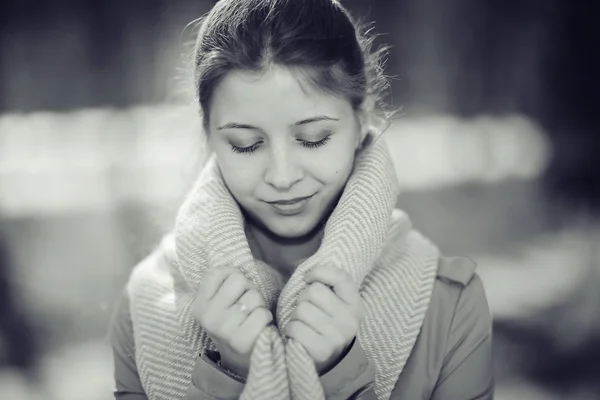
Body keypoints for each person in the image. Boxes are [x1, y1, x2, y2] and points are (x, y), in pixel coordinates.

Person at [109, 0, 493, 399]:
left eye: (313, 139)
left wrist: (338, 372)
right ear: (209, 136)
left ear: (363, 117)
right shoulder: (146, 307)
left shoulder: (448, 306)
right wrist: (230, 375)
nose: (282, 176)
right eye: (246, 144)